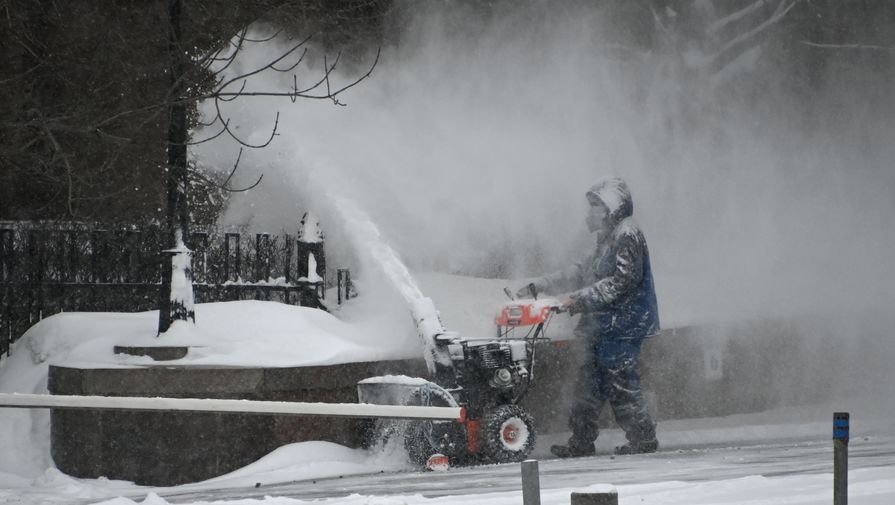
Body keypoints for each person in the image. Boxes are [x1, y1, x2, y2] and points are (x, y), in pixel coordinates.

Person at [516, 177, 660, 457]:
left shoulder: (627, 234)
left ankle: (643, 439)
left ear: (610, 209)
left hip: (623, 326)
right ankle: (581, 440)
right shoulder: (607, 237)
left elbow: (621, 282)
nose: (587, 215)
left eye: (593, 208)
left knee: (621, 384)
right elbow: (583, 270)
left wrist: (577, 300)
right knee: (588, 385)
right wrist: (542, 285)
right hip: (602, 325)